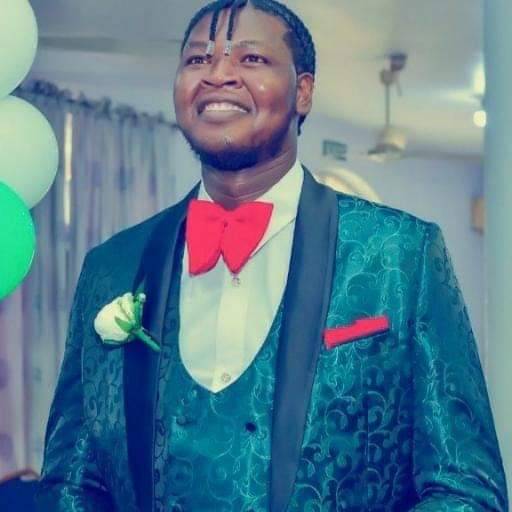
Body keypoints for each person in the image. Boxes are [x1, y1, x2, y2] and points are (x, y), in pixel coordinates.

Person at [36, 0, 508, 511]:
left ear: (302, 91)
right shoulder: (112, 268)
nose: (218, 74)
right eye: (198, 59)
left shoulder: (401, 254)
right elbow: (71, 483)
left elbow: (466, 490)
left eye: (251, 59)